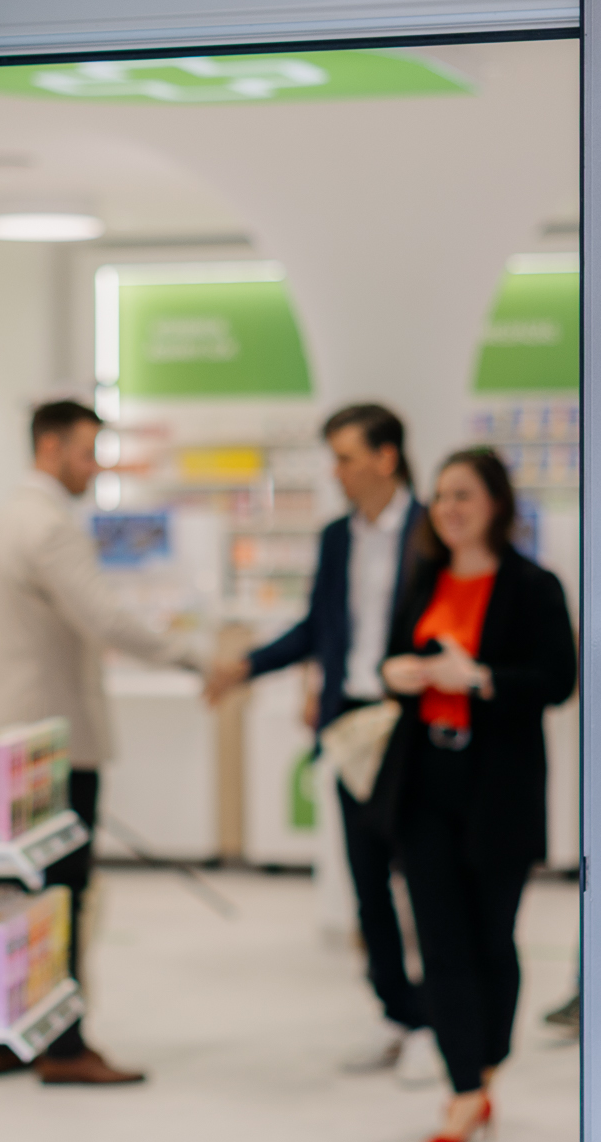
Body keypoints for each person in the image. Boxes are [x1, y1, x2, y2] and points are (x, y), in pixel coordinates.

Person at [0, 400, 202, 1085]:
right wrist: (194, 657)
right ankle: (63, 1045)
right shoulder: (49, 529)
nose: (93, 466)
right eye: (85, 451)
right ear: (49, 447)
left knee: (15, 895)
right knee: (62, 899)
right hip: (54, 746)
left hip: (6, 736)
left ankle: (10, 1035)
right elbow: (107, 618)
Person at [205, 404, 431, 1075]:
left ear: (386, 457)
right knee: (366, 880)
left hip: (412, 722)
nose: (336, 472)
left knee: (425, 880)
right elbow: (317, 628)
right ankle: (395, 1014)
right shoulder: (338, 537)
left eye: (345, 458)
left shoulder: (429, 532)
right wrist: (247, 666)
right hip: (350, 721)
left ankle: (435, 1025)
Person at [376, 447, 576, 1142]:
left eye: (462, 494)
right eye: (441, 497)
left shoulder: (533, 585)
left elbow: (557, 680)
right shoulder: (423, 578)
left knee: (492, 937)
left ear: (496, 502)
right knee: (439, 938)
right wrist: (399, 673)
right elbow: (390, 658)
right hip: (424, 778)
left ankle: (487, 1062)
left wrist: (482, 679)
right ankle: (463, 1086)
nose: (449, 509)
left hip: (498, 786)